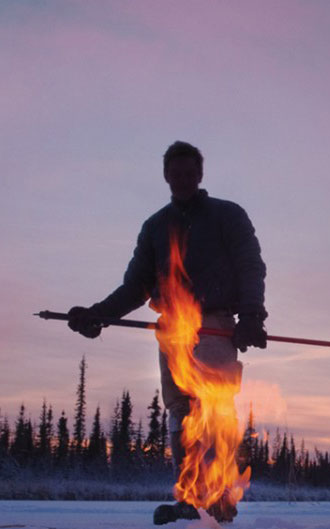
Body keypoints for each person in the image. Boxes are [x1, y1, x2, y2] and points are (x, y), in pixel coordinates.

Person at [68, 141, 267, 510]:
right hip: (172, 329)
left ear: (200, 174)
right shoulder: (156, 226)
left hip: (215, 326)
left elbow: (250, 265)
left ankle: (221, 498)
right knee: (180, 410)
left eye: (190, 173)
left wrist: (252, 315)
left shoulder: (228, 215)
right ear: (166, 176)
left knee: (216, 405)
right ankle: (190, 498)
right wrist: (100, 314)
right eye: (176, 174)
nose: (183, 180)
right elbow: (135, 287)